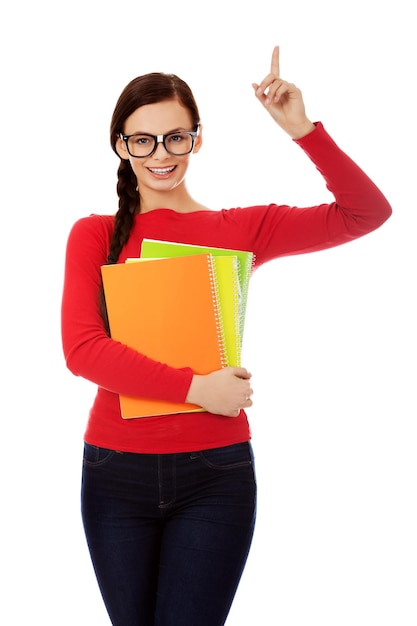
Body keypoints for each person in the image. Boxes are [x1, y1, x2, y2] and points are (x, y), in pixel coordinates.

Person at [61, 46, 392, 626]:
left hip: (214, 476)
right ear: (121, 144)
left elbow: (366, 212)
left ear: (197, 138)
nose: (160, 154)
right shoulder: (93, 234)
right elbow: (82, 350)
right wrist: (197, 390)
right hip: (116, 473)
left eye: (175, 137)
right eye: (143, 139)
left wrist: (304, 132)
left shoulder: (238, 230)